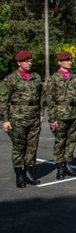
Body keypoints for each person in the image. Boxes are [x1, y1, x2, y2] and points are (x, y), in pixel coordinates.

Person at [0, 51, 44, 187]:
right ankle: (19, 175)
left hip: (34, 117)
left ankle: (29, 172)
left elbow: (42, 97)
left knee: (32, 146)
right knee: (19, 147)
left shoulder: (36, 77)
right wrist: (5, 120)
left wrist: (41, 113)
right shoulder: (10, 79)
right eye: (26, 61)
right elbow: (3, 100)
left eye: (30, 60)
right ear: (19, 63)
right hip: (17, 118)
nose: (29, 63)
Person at [45, 51, 76, 180]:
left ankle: (68, 164)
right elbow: (49, 100)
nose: (70, 62)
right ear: (60, 62)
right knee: (60, 141)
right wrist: (52, 118)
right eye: (67, 60)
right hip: (60, 114)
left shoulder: (75, 77)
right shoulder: (53, 78)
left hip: (73, 113)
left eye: (70, 60)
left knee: (71, 141)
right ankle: (60, 167)